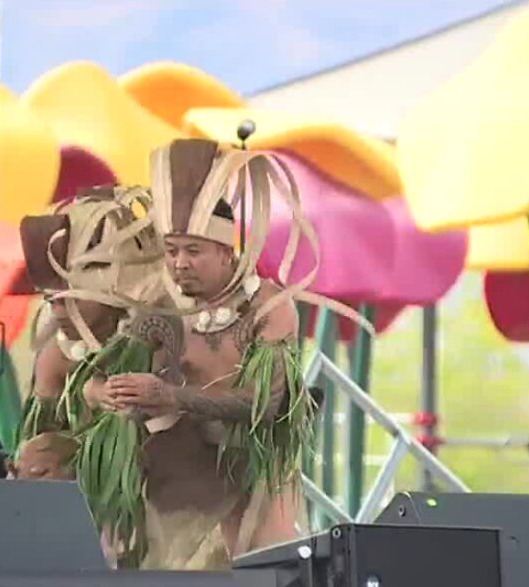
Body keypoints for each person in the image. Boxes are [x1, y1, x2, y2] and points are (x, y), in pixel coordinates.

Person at [82, 137, 369, 570]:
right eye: (173, 250)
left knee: (264, 572)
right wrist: (108, 393)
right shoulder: (159, 307)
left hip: (254, 478)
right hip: (181, 481)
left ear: (225, 250)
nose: (179, 263)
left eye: (193, 251)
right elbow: (91, 380)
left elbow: (267, 404)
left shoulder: (268, 306)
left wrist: (172, 397)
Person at [13, 186, 169, 567]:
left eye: (71, 296)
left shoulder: (163, 337)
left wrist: (79, 441)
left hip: (168, 526)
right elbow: (38, 448)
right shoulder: (56, 353)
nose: (59, 309)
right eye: (51, 299)